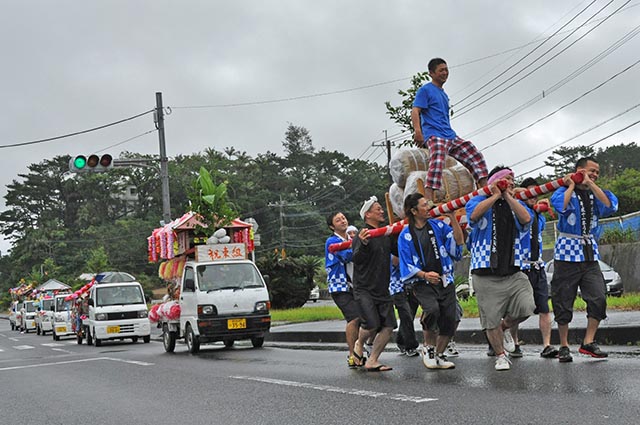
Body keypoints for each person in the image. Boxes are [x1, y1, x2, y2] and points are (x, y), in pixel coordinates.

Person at [465, 166, 535, 371]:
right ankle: (500, 355)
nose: (511, 182)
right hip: (485, 270)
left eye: (513, 180)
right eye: (506, 179)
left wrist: (508, 196)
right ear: (494, 181)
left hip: (513, 269)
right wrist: (494, 195)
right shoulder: (477, 200)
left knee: (527, 306)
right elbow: (474, 216)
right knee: (491, 319)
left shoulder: (517, 203)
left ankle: (505, 327)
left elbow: (526, 219)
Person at [550, 157, 618, 362]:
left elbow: (610, 206)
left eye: (597, 171)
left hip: (589, 253)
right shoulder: (562, 191)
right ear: (579, 170)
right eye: (591, 170)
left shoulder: (597, 193)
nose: (595, 174)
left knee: (598, 297)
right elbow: (560, 207)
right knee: (563, 299)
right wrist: (571, 184)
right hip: (566, 252)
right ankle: (563, 345)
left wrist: (590, 183)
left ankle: (588, 341)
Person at [398, 192, 465, 369]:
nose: (428, 207)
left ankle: (440, 353)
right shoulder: (405, 234)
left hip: (445, 279)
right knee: (432, 309)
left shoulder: (438, 225)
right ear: (413, 210)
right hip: (422, 282)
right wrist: (424, 275)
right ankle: (428, 348)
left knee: (450, 318)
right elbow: (406, 263)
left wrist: (452, 217)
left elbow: (458, 243)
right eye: (424, 205)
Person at [411, 57, 489, 206]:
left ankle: (486, 189)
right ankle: (428, 199)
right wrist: (417, 131)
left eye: (446, 69)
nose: (445, 73)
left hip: (450, 134)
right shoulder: (425, 90)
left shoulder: (444, 94)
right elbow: (415, 110)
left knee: (473, 153)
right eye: (441, 70)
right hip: (435, 134)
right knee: (438, 160)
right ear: (431, 73)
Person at [507, 177, 557, 359]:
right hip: (521, 266)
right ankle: (513, 340)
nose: (534, 197)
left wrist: (540, 206)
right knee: (519, 308)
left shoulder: (539, 216)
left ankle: (547, 345)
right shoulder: (518, 211)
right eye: (530, 193)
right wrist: (522, 196)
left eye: (537, 194)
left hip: (538, 266)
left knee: (544, 308)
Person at [352, 196, 397, 372]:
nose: (381, 211)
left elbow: (398, 249)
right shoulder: (362, 234)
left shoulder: (385, 235)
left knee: (389, 325)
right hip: (364, 288)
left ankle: (372, 359)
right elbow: (356, 258)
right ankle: (359, 342)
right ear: (368, 214)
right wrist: (362, 244)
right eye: (378, 209)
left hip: (382, 287)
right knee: (371, 324)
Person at [324, 211, 360, 369]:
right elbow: (347, 256)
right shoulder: (331, 241)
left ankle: (359, 351)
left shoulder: (352, 239)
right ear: (332, 226)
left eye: (343, 218)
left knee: (364, 318)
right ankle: (352, 354)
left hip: (356, 285)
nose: (342, 221)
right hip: (340, 286)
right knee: (354, 317)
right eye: (338, 220)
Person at [389, 253, 419, 357]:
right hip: (396, 287)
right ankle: (410, 346)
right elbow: (395, 262)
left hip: (411, 284)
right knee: (406, 314)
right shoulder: (392, 247)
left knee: (409, 315)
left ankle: (401, 341)